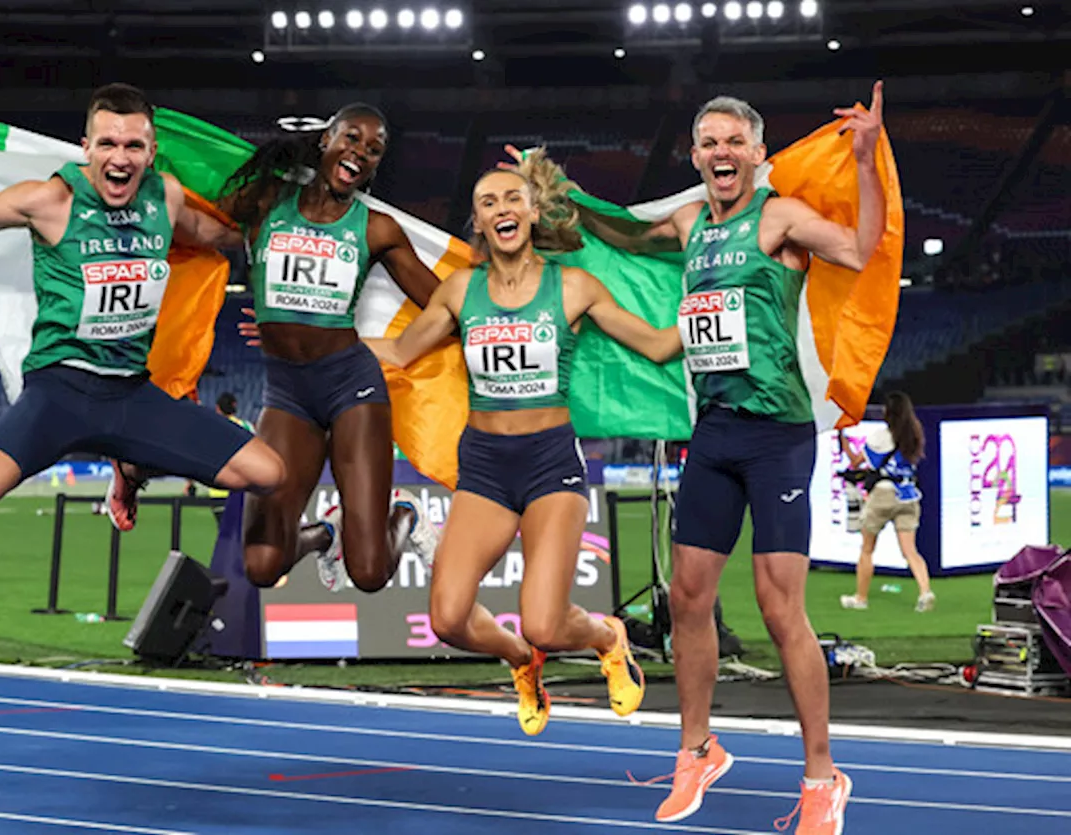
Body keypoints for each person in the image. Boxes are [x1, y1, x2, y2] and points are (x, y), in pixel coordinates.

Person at [528, 84, 882, 832]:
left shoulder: (777, 217)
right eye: (709, 143)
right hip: (714, 432)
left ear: (757, 154)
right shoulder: (689, 222)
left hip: (778, 435)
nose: (721, 152)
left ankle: (823, 775)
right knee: (688, 596)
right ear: (695, 157)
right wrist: (564, 195)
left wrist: (864, 159)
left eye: (734, 142)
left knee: (781, 607)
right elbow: (622, 237)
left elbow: (858, 249)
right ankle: (697, 748)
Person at [0, 83, 286, 530]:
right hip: (59, 392)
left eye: (133, 146)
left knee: (267, 474)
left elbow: (212, 234)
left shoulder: (164, 196)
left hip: (132, 395)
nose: (120, 158)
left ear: (151, 150)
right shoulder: (49, 200)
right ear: (86, 147)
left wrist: (285, 224)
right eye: (107, 144)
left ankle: (131, 467)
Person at [366, 165, 680, 734]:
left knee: (548, 622)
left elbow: (657, 346)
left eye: (514, 197)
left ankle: (609, 637)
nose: (502, 208)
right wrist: (312, 338)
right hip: (485, 467)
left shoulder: (574, 287)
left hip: (549, 465)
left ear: (533, 213)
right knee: (448, 617)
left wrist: (727, 316)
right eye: (489, 201)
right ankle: (520, 661)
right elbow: (398, 350)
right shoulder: (461, 290)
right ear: (480, 222)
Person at [141, 102, 443, 595]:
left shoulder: (376, 229)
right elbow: (205, 227)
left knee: (369, 573)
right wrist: (142, 196)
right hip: (289, 395)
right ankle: (327, 533)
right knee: (262, 566)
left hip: (353, 388)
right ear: (326, 141)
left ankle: (404, 514)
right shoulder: (267, 204)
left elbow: (440, 303)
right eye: (351, 138)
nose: (360, 153)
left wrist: (392, 345)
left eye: (374, 150)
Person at [840, 391, 934, 612]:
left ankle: (860, 598)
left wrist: (843, 441)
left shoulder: (879, 437)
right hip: (909, 495)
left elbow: (855, 462)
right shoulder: (914, 434)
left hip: (883, 495)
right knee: (910, 551)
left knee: (867, 549)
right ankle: (925, 592)